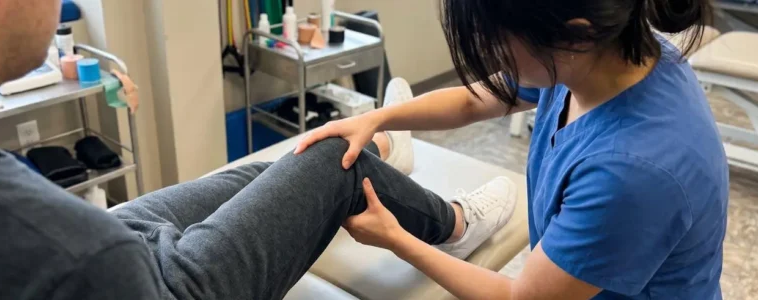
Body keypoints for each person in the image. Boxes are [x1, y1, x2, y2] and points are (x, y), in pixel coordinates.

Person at [0, 1, 517, 299]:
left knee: (265, 172)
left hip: (111, 238)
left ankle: (383, 151)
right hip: (152, 283)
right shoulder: (79, 263)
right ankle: (454, 223)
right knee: (329, 155)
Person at [298, 0, 729, 299]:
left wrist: (394, 237)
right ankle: (454, 220)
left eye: (495, 42)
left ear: (572, 37)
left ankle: (455, 225)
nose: (488, 54)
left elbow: (522, 297)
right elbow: (474, 99)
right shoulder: (606, 53)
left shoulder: (634, 172)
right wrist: (377, 119)